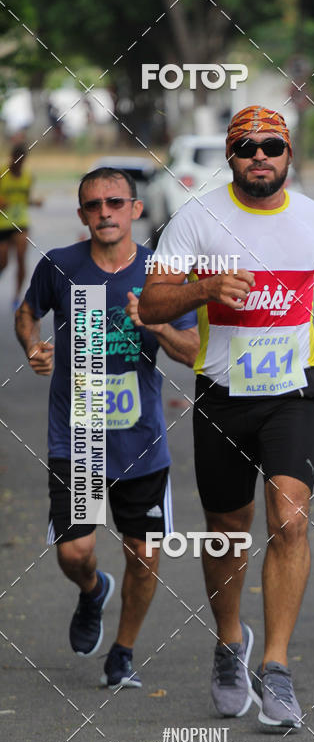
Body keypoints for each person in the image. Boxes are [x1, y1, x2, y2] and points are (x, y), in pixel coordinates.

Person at [138, 105, 314, 729]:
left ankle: (279, 667)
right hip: (222, 394)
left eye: (271, 146)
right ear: (231, 158)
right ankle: (229, 641)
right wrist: (204, 290)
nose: (259, 156)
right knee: (226, 529)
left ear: (289, 154)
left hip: (296, 392)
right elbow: (154, 300)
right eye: (246, 147)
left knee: (289, 520)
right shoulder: (198, 218)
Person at [15, 168, 199, 689]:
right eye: (93, 205)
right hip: (78, 441)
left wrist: (158, 323)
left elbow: (192, 354)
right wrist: (31, 344)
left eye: (115, 202)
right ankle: (93, 590)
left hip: (141, 445)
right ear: (81, 216)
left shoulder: (160, 275)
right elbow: (27, 313)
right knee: (75, 553)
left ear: (135, 210)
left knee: (143, 556)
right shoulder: (60, 267)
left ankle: (123, 650)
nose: (104, 212)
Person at [0, 144, 43, 309]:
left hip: (21, 222)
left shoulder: (28, 176)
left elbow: (25, 199)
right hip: (2, 223)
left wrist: (34, 202)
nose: (19, 163)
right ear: (11, 157)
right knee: (3, 260)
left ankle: (17, 296)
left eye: (22, 160)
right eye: (16, 159)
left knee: (20, 255)